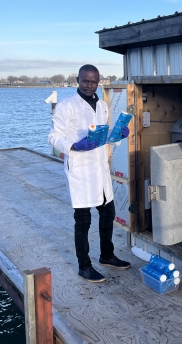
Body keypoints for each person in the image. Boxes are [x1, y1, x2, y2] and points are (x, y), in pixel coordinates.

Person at [48, 64, 131, 282]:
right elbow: (54, 137)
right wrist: (76, 146)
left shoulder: (102, 105)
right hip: (80, 170)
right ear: (78, 80)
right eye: (85, 81)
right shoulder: (66, 107)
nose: (89, 85)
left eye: (93, 81)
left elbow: (104, 137)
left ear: (98, 82)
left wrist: (119, 134)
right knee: (83, 220)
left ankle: (107, 255)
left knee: (108, 213)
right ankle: (84, 266)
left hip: (100, 168)